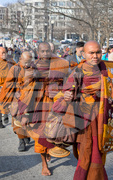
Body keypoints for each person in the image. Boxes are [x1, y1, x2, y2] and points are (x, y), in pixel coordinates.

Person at [53, 41, 113, 179]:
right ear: (84, 54)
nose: (95, 56)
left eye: (98, 52)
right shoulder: (78, 71)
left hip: (104, 120)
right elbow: (63, 95)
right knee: (87, 155)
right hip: (85, 122)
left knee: (100, 155)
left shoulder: (110, 70)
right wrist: (66, 96)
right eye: (91, 53)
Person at [19, 42, 69, 176]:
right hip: (38, 104)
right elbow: (26, 90)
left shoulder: (61, 64)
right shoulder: (32, 67)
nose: (46, 54)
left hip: (55, 103)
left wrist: (60, 92)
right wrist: (24, 112)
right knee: (40, 134)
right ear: (38, 52)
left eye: (48, 51)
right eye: (43, 51)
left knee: (56, 131)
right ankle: (44, 164)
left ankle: (51, 149)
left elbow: (69, 83)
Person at [0, 51, 32, 151]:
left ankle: (26, 135)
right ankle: (21, 141)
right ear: (20, 59)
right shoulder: (15, 69)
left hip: (31, 100)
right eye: (25, 62)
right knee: (18, 120)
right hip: (18, 99)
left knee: (29, 119)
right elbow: (8, 85)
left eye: (29, 62)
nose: (27, 65)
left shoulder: (34, 69)